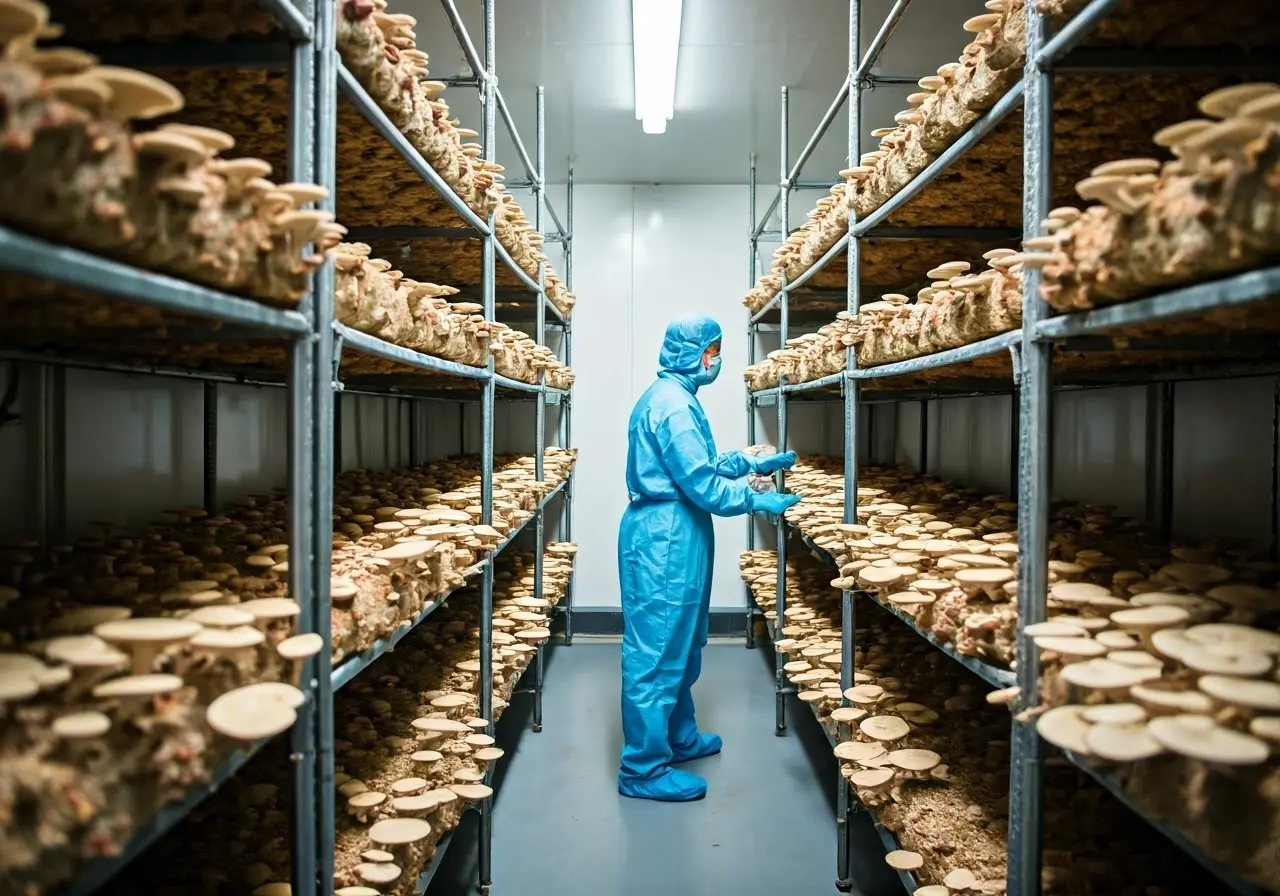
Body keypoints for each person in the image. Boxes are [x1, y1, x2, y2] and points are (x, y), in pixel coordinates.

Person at [617, 314, 800, 802]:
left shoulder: (676, 397)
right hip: (664, 538)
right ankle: (643, 768)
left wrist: (747, 462)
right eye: (713, 352)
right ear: (695, 354)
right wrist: (754, 499)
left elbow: (697, 467)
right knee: (656, 651)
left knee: (684, 641)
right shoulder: (674, 406)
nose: (716, 360)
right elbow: (703, 488)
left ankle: (677, 738)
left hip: (679, 532)